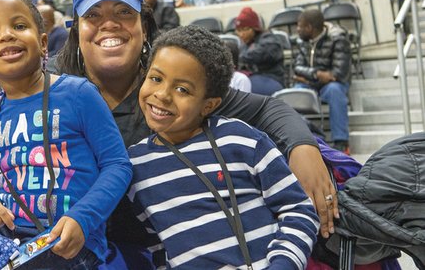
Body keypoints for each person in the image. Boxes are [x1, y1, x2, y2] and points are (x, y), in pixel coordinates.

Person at [0, 0, 337, 270]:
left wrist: (302, 147)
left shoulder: (170, 92)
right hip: (32, 240)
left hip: (119, 252)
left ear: (143, 27)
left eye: (123, 13)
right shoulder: (38, 90)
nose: (108, 25)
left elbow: (268, 108)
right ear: (75, 30)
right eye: (93, 16)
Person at [0, 0, 132, 269]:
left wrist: (82, 218)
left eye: (19, 26)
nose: (7, 35)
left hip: (68, 243)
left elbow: (117, 165)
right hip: (6, 241)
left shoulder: (79, 94)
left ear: (43, 43)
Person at [128, 26, 318, 269]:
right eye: (156, 78)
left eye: (182, 89)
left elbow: (298, 210)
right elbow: (157, 245)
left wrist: (283, 265)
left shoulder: (242, 139)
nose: (163, 95)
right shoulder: (134, 165)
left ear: (208, 105)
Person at [295, 9, 352, 153]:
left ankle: (341, 142)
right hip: (310, 84)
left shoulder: (338, 38)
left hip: (333, 84)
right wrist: (317, 74)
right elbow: (297, 68)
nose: (297, 29)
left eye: (300, 26)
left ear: (309, 28)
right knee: (295, 92)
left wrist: (309, 76)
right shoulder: (302, 41)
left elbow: (338, 73)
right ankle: (299, 140)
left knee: (335, 91)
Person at [235, 7, 285, 96]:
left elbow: (258, 54)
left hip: (271, 78)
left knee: (240, 89)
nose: (241, 34)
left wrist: (236, 56)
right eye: (239, 30)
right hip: (254, 77)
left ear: (255, 28)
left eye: (245, 29)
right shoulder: (245, 43)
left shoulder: (270, 40)